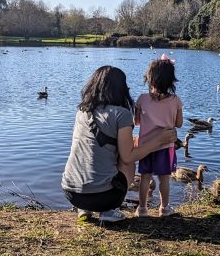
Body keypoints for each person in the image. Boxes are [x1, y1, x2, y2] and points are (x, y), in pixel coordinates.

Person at [62, 65, 176, 222]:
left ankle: (85, 209)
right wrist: (158, 141)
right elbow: (128, 157)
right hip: (103, 197)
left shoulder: (81, 111)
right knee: (127, 161)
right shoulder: (121, 114)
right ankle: (108, 211)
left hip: (71, 192)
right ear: (120, 88)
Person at [134, 55, 183, 217]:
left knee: (145, 177)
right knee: (164, 179)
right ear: (171, 81)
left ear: (150, 79)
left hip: (145, 146)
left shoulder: (142, 99)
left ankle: (142, 209)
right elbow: (179, 123)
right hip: (165, 146)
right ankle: (164, 208)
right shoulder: (176, 101)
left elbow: (137, 122)